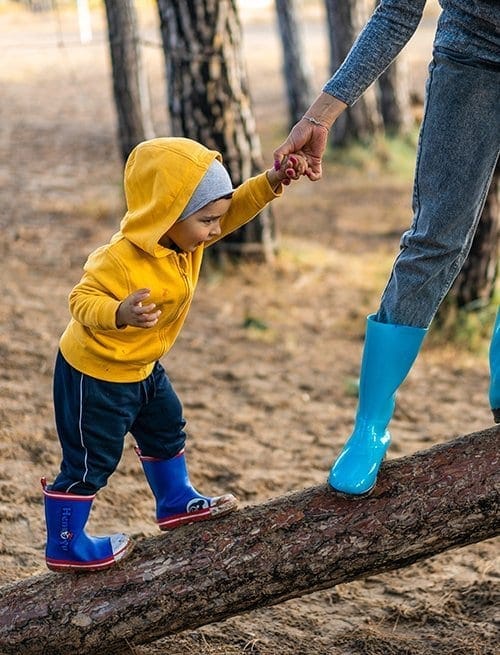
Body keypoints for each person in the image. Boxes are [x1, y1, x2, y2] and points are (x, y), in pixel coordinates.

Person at [42, 136, 306, 572]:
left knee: (166, 427)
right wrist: (118, 312)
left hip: (144, 367)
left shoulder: (187, 240)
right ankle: (65, 543)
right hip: (97, 374)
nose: (215, 230)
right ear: (166, 214)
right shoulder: (120, 259)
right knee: (92, 460)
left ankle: (175, 501)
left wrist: (272, 181)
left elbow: (234, 208)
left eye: (215, 220)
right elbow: (79, 299)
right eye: (207, 221)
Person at [274, 0, 500, 496]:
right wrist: (323, 112)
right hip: (474, 57)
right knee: (434, 243)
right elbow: (397, 9)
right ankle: (370, 427)